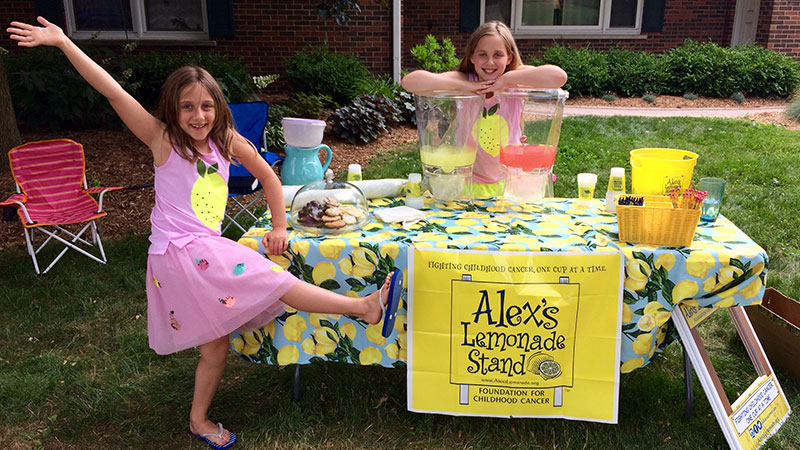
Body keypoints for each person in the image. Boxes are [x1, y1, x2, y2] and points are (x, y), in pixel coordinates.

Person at [7, 17, 396, 450]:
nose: (198, 115)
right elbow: (113, 91)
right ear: (172, 110)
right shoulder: (161, 140)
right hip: (179, 254)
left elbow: (271, 178)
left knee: (216, 347)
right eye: (187, 107)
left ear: (218, 108)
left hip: (204, 251)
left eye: (206, 106)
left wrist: (280, 227)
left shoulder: (226, 141)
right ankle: (363, 307)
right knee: (274, 279)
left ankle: (198, 420)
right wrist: (64, 42)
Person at [402, 21, 568, 198]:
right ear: (472, 57)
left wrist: (507, 79)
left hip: (511, 180)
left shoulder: (515, 81)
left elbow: (558, 76)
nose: (490, 62)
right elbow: (409, 82)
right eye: (482, 54)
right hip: (469, 180)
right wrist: (463, 86)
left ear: (509, 58)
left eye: (498, 55)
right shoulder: (466, 80)